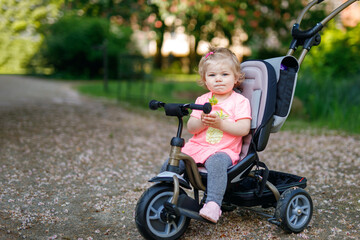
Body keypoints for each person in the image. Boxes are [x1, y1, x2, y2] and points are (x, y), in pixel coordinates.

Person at [161, 47, 251, 223]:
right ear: (204, 80)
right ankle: (162, 194)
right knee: (173, 161)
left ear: (236, 78)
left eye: (225, 74)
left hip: (223, 150)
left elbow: (243, 129)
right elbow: (192, 128)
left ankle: (213, 203)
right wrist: (202, 120)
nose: (218, 79)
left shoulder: (240, 101)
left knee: (216, 164)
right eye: (212, 75)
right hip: (198, 147)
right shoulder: (202, 100)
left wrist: (221, 123)